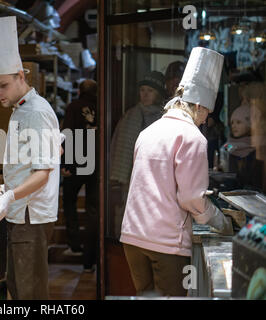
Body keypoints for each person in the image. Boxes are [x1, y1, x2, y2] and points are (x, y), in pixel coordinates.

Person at [120, 47, 234, 297]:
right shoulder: (192, 137)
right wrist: (220, 221)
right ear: (196, 105)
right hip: (165, 243)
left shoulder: (149, 131)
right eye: (206, 112)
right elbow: (191, 198)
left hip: (132, 237)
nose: (205, 120)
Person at [0, 16, 61, 300]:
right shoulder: (23, 108)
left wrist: (11, 195)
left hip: (30, 215)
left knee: (29, 293)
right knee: (18, 287)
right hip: (23, 213)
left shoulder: (35, 111)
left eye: (3, 85)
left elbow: (43, 173)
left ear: (21, 76)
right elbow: (51, 154)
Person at [109, 71, 167, 238]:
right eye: (142, 90)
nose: (145, 94)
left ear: (158, 93)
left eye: (150, 90)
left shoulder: (164, 117)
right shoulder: (130, 116)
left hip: (156, 179)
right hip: (131, 178)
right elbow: (117, 146)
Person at [60, 79, 98, 272]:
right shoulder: (102, 106)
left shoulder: (73, 107)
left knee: (69, 202)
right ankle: (91, 256)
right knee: (93, 208)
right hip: (96, 164)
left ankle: (75, 243)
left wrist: (65, 164)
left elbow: (66, 133)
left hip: (75, 162)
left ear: (79, 91)